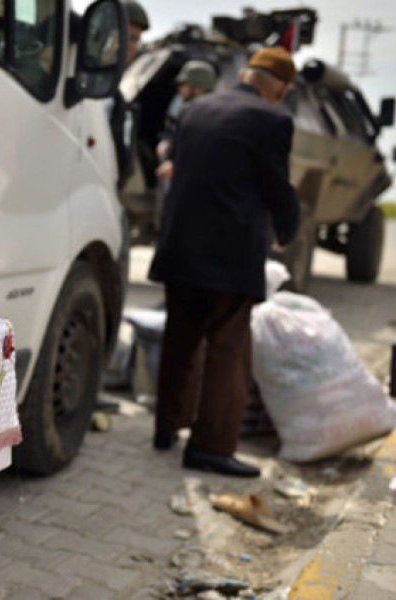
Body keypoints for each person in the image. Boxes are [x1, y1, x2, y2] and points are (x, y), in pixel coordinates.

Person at [147, 46, 300, 478]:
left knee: (180, 341)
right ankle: (210, 447)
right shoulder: (273, 120)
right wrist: (288, 231)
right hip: (230, 255)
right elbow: (277, 187)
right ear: (280, 89)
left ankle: (165, 428)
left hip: (180, 247)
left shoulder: (198, 107)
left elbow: (179, 167)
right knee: (228, 353)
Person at [155, 60, 218, 185]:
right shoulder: (182, 105)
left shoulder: (210, 114)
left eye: (184, 84)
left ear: (198, 88)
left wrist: (176, 167)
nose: (180, 88)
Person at [109, 0, 150, 190]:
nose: (131, 46)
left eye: (135, 40)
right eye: (126, 36)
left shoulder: (115, 97)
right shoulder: (80, 81)